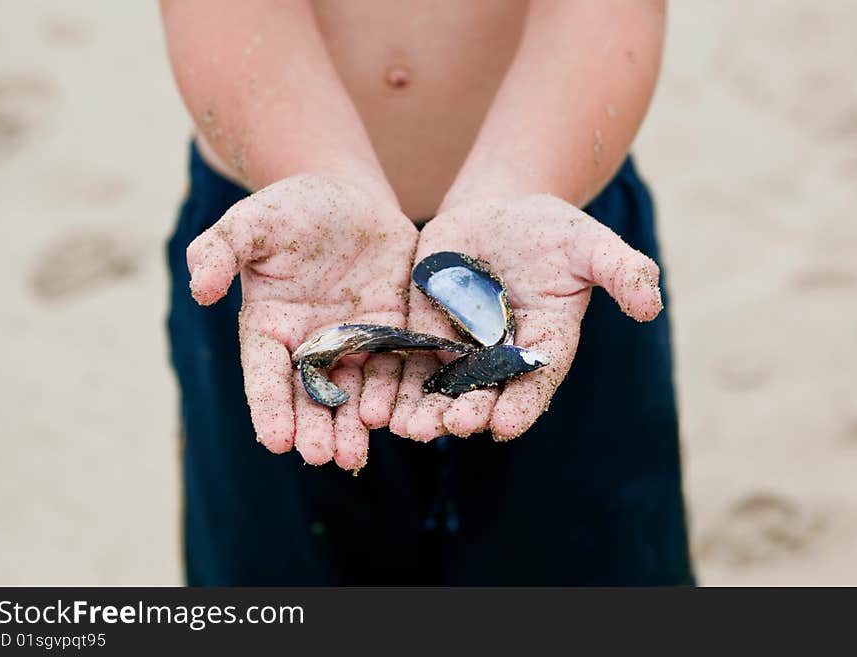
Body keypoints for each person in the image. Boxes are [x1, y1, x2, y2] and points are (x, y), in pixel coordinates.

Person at [161, 0, 694, 585]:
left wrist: (521, 181)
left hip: (553, 244)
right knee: (284, 569)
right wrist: (320, 171)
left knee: (586, 560)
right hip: (283, 249)